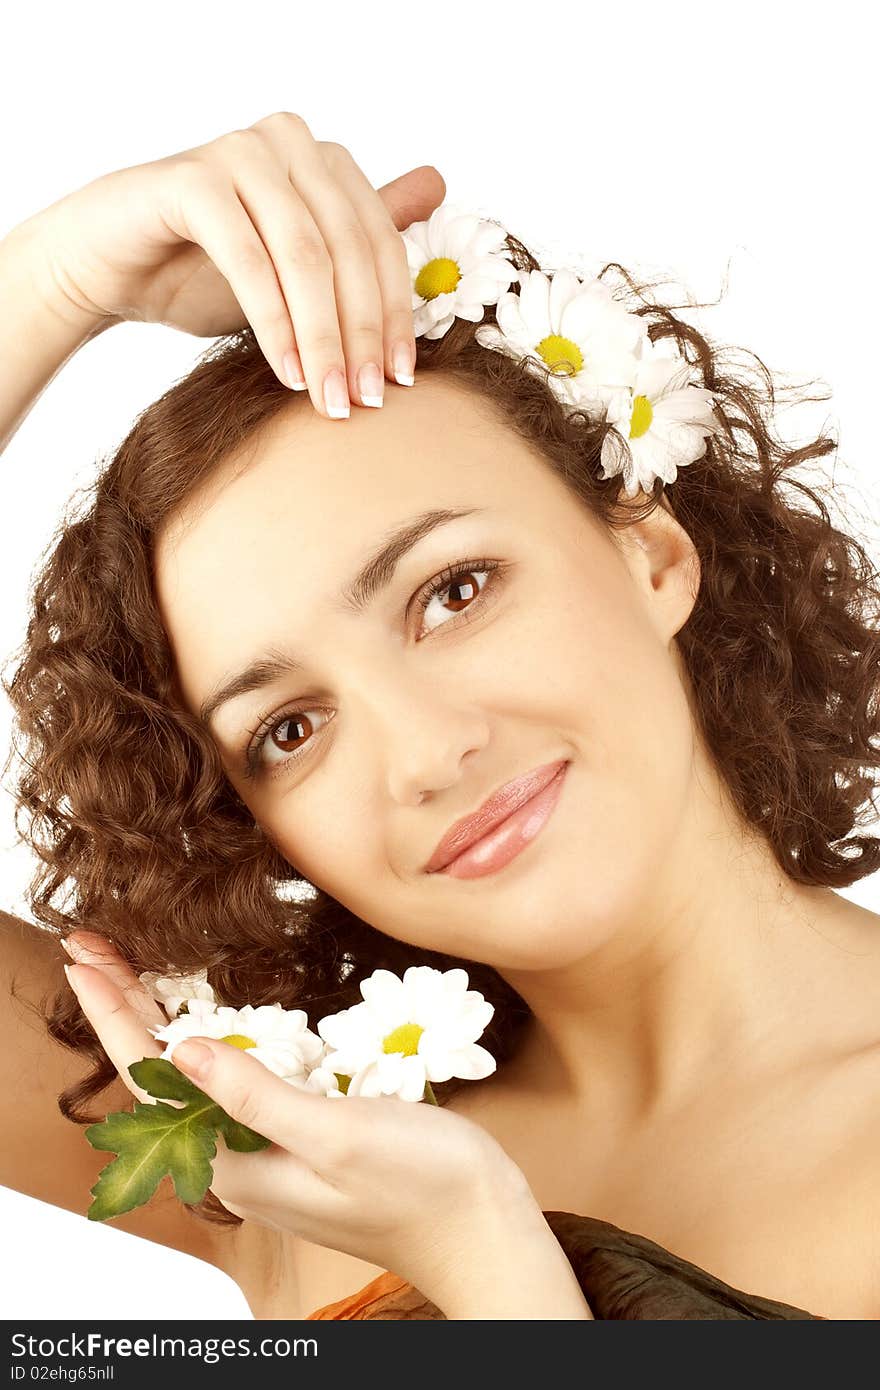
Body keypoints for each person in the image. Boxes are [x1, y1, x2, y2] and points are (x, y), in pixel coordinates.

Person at [1, 111, 878, 1322]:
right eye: (289, 729)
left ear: (654, 557)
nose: (421, 754)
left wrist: (480, 1258)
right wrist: (48, 278)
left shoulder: (324, 1177)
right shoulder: (279, 1150)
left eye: (451, 593)